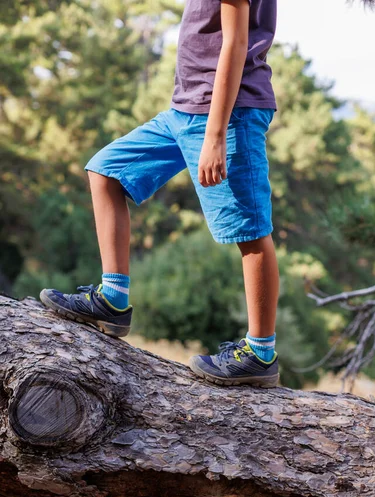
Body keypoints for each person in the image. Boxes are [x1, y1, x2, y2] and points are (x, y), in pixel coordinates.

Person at [40, 0, 280, 388]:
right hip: (183, 110)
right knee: (106, 170)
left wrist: (216, 135)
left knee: (250, 233)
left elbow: (235, 43)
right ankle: (113, 299)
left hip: (228, 114)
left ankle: (260, 353)